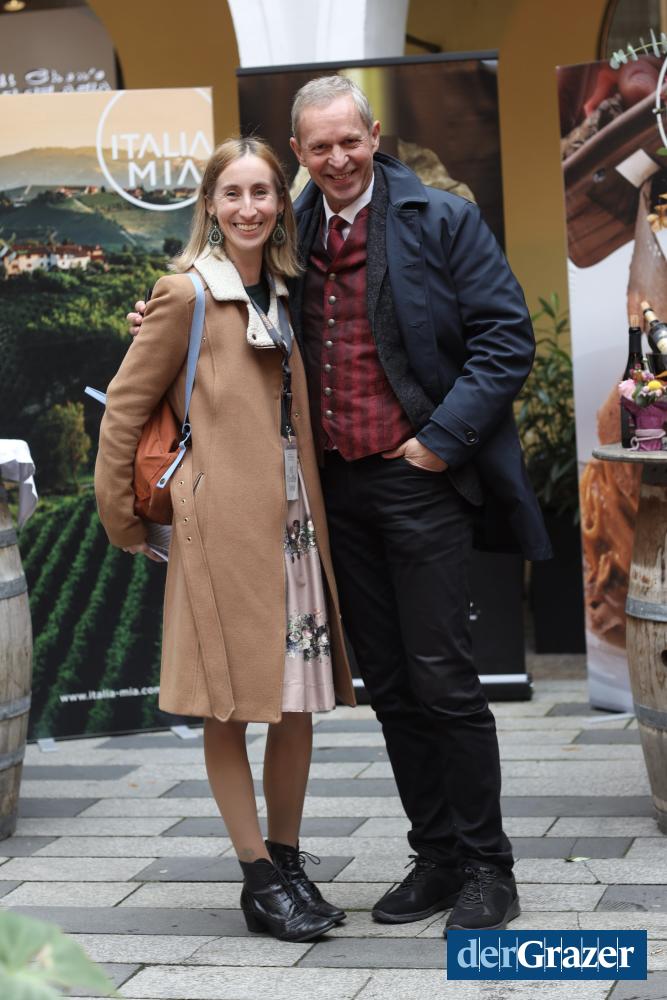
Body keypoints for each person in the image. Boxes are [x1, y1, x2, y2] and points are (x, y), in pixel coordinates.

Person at [129, 77, 553, 934]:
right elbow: (217, 308)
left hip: (420, 479)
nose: (337, 159)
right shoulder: (293, 230)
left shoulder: (441, 219)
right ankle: (435, 855)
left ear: (375, 134)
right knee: (390, 682)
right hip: (334, 495)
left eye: (348, 141)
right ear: (299, 152)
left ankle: (486, 865)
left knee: (442, 678)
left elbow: (507, 337)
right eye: (318, 147)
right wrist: (151, 317)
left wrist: (441, 438)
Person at [96, 136, 356, 944]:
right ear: (209, 203)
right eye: (233, 193)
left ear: (281, 204)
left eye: (263, 192)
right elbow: (123, 409)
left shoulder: (282, 290)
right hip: (221, 531)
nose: (248, 208)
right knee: (228, 706)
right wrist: (122, 517)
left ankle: (288, 861)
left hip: (294, 527)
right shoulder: (184, 293)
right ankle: (258, 879)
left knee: (295, 703)